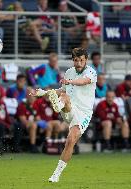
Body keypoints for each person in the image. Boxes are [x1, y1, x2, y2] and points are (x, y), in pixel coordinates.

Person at [30, 47, 97, 182]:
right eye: (76, 60)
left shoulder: (91, 72)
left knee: (71, 140)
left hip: (84, 114)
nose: (79, 63)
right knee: (64, 95)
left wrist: (70, 82)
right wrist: (43, 93)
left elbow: (83, 81)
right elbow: (62, 89)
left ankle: (56, 174)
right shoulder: (69, 72)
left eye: (81, 60)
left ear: (86, 60)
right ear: (73, 60)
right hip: (68, 107)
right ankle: (58, 105)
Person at [14, 87, 39, 153]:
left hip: (34, 124)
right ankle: (32, 146)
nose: (31, 97)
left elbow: (38, 118)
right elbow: (23, 120)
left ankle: (46, 145)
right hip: (22, 125)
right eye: (30, 95)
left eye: (33, 95)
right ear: (26, 96)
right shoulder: (22, 105)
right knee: (33, 125)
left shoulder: (35, 106)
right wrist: (33, 122)